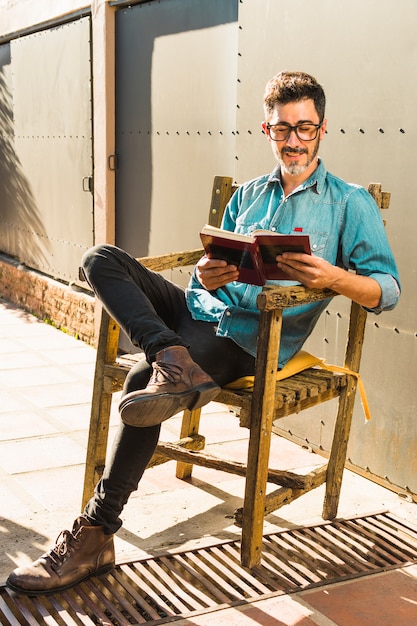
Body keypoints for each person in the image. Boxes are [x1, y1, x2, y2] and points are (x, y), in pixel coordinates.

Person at [6, 71, 400, 595]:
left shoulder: (350, 203)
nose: (294, 141)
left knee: (141, 381)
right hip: (198, 315)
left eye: (304, 128)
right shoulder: (248, 193)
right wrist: (205, 275)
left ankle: (96, 533)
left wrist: (333, 278)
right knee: (100, 258)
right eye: (282, 129)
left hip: (251, 338)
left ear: (322, 129)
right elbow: (210, 263)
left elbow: (387, 288)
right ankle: (172, 356)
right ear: (268, 130)